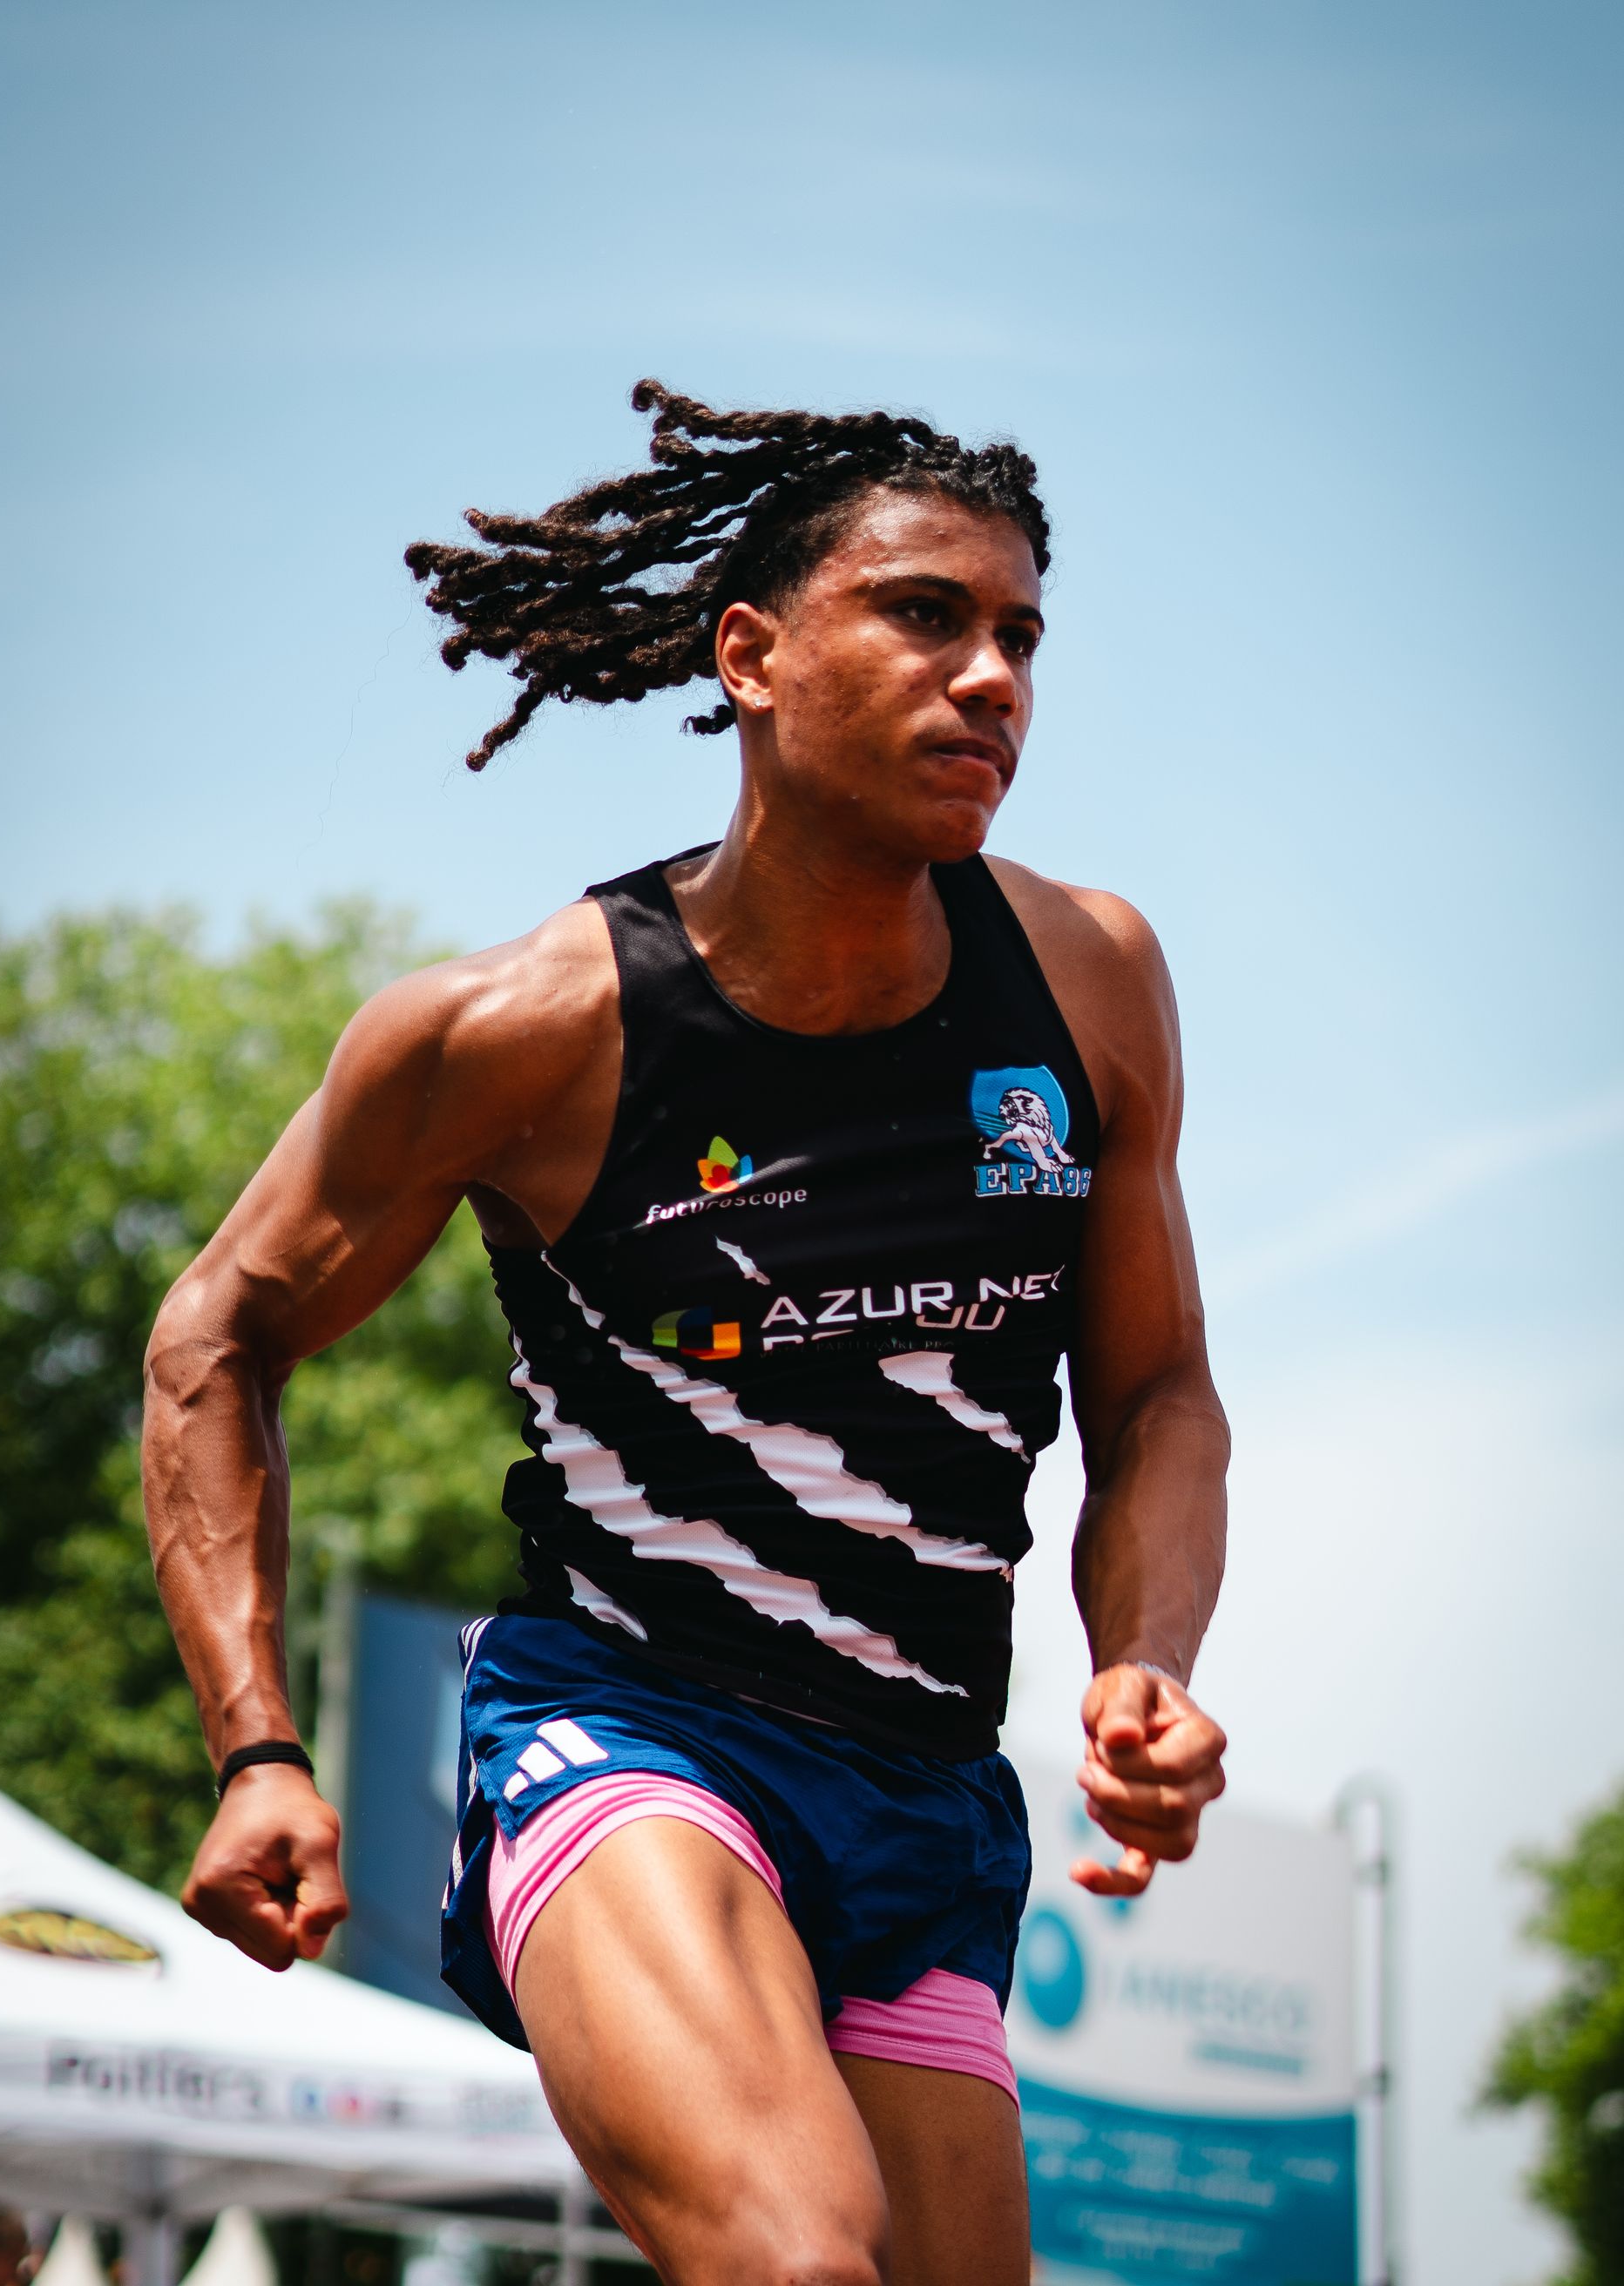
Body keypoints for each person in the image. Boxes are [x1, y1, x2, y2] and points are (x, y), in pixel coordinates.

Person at [145, 382, 1230, 2286]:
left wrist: (1143, 1658)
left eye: (1022, 636)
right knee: (798, 2263)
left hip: (923, 1785)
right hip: (633, 1731)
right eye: (925, 614)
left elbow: (1152, 1392)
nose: (993, 679)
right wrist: (257, 1746)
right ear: (750, 653)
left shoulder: (1090, 981)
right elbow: (213, 1340)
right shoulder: (521, 1031)